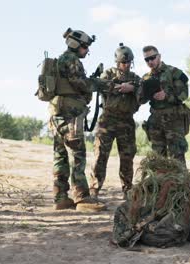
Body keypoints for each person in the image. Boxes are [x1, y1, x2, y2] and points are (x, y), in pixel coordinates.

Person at [48, 28, 107, 211]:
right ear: (76, 45)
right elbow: (80, 84)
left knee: (60, 155)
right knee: (78, 154)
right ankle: (82, 198)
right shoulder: (71, 60)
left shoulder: (60, 60)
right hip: (70, 114)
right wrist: (100, 83)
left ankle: (60, 197)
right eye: (85, 47)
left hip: (56, 112)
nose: (86, 51)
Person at [89, 43, 140, 199]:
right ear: (117, 62)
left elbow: (143, 90)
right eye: (123, 62)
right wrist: (118, 87)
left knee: (127, 157)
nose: (126, 65)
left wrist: (133, 88)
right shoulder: (108, 74)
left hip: (126, 120)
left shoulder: (135, 78)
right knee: (100, 156)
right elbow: (99, 85)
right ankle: (94, 190)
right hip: (108, 120)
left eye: (128, 62)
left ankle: (128, 190)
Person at [139, 45, 190, 167]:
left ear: (159, 56)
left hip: (173, 119)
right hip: (155, 120)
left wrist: (167, 95)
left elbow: (184, 94)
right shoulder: (145, 78)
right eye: (147, 60)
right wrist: (144, 93)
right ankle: (161, 184)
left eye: (152, 58)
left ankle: (180, 184)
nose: (150, 62)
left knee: (177, 156)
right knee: (158, 157)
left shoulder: (174, 72)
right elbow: (140, 100)